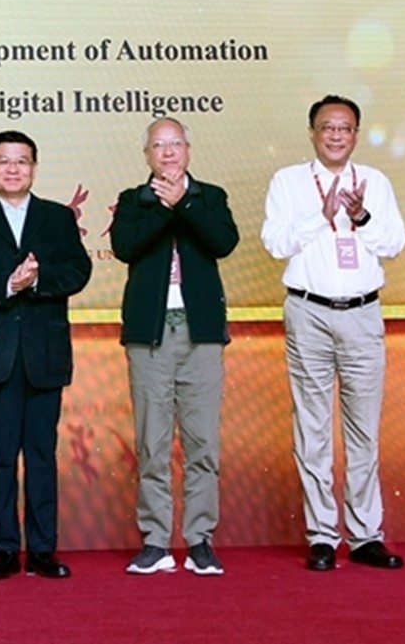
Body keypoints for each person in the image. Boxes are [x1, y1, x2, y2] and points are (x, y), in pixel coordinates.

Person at [261, 95, 405, 571]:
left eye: (345, 128)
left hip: (363, 313)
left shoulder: (376, 182)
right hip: (308, 313)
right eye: (327, 127)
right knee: (313, 429)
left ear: (356, 135)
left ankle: (365, 536)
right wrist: (319, 218)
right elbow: (274, 243)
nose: (336, 135)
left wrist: (361, 219)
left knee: (364, 430)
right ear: (312, 132)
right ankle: (322, 534)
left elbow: (395, 244)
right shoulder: (287, 181)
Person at [0, 130, 92, 580]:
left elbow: (79, 270)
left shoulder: (57, 217)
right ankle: (5, 550)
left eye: (22, 161)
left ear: (34, 168)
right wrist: (10, 285)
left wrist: (39, 279)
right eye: (4, 161)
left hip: (45, 353)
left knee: (43, 455)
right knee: (2, 457)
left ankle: (44, 550)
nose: (13, 169)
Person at [109, 118, 240, 577]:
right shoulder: (133, 200)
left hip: (201, 333)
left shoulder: (210, 196)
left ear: (188, 149)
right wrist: (163, 207)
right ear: (146, 154)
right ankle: (156, 541)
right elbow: (126, 246)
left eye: (175, 144)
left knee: (203, 442)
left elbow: (222, 241)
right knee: (153, 442)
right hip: (150, 333)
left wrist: (183, 201)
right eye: (158, 145)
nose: (167, 152)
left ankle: (200, 540)